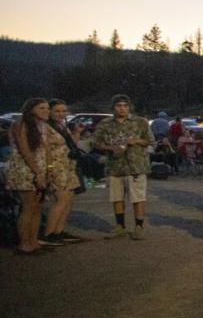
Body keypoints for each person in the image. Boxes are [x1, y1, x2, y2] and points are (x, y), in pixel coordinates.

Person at [91, 94, 154, 240]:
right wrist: (110, 148)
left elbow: (150, 141)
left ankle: (139, 226)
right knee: (116, 197)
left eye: (125, 106)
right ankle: (120, 226)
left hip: (136, 166)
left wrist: (137, 140)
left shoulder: (140, 122)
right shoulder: (105, 123)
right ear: (113, 107)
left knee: (138, 197)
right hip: (115, 166)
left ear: (129, 107)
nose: (122, 109)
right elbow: (95, 142)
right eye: (119, 106)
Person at [8, 98, 51, 255]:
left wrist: (49, 168)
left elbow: (46, 150)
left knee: (38, 207)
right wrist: (38, 173)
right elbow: (26, 151)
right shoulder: (20, 125)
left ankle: (34, 241)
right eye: (42, 108)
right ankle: (24, 243)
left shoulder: (44, 126)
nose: (46, 111)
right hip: (25, 169)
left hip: (40, 168)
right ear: (31, 109)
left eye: (47, 108)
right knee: (28, 206)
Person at [44, 99, 86, 245]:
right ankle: (48, 234)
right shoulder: (45, 127)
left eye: (64, 111)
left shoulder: (62, 126)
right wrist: (48, 168)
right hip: (55, 166)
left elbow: (71, 145)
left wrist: (76, 133)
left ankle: (59, 231)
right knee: (61, 199)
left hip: (68, 165)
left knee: (69, 198)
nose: (61, 114)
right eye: (57, 111)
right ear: (49, 111)